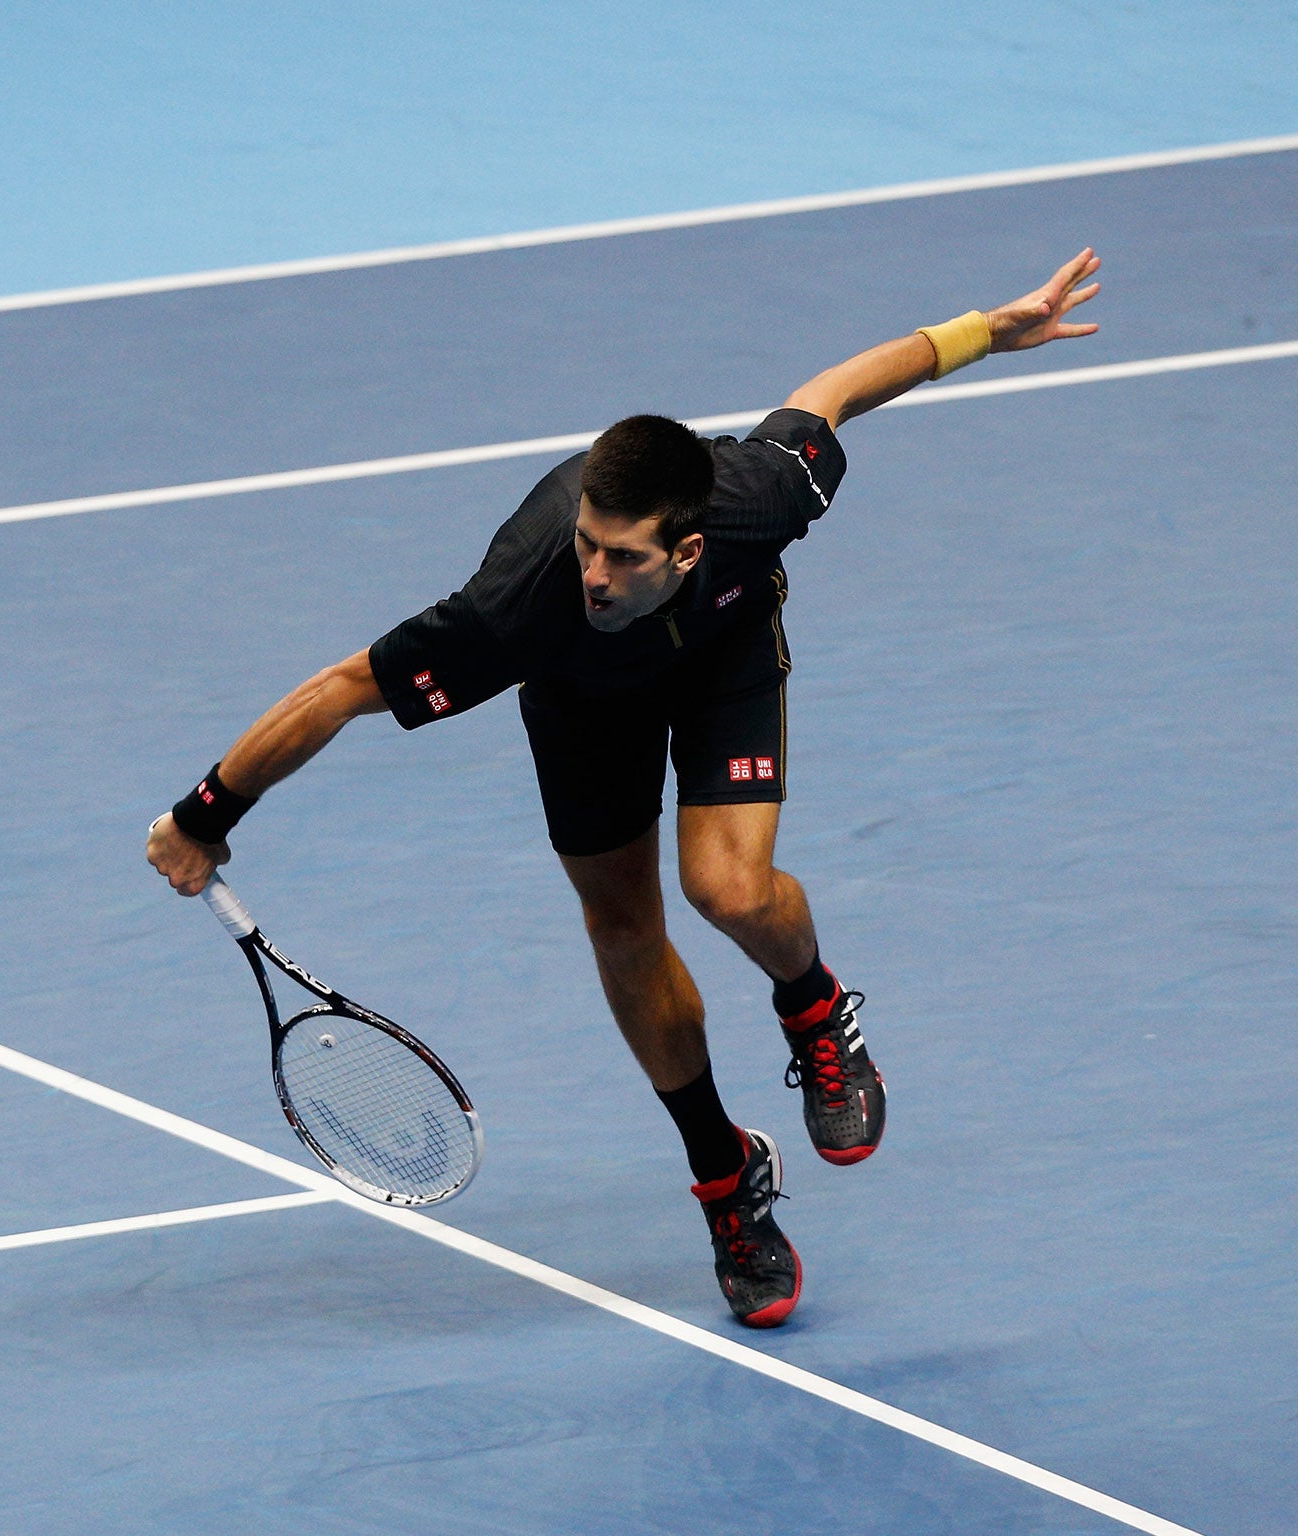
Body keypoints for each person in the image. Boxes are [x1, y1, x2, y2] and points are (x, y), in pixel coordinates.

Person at [147, 250, 1102, 1327]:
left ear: (686, 547)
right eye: (586, 545)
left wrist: (986, 327)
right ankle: (724, 1180)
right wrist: (204, 814)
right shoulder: (516, 604)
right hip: (578, 700)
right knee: (622, 930)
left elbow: (831, 393)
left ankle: (815, 1008)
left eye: (619, 556)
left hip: (717, 663)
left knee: (730, 892)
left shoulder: (756, 497)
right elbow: (339, 690)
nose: (593, 571)